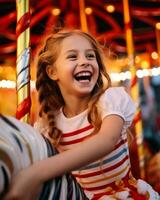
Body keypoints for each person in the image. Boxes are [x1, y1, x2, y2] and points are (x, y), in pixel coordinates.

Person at [4, 29, 159, 200]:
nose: (84, 62)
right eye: (72, 57)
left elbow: (106, 141)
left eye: (90, 56)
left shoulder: (110, 101)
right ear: (52, 72)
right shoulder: (48, 126)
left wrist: (36, 173)